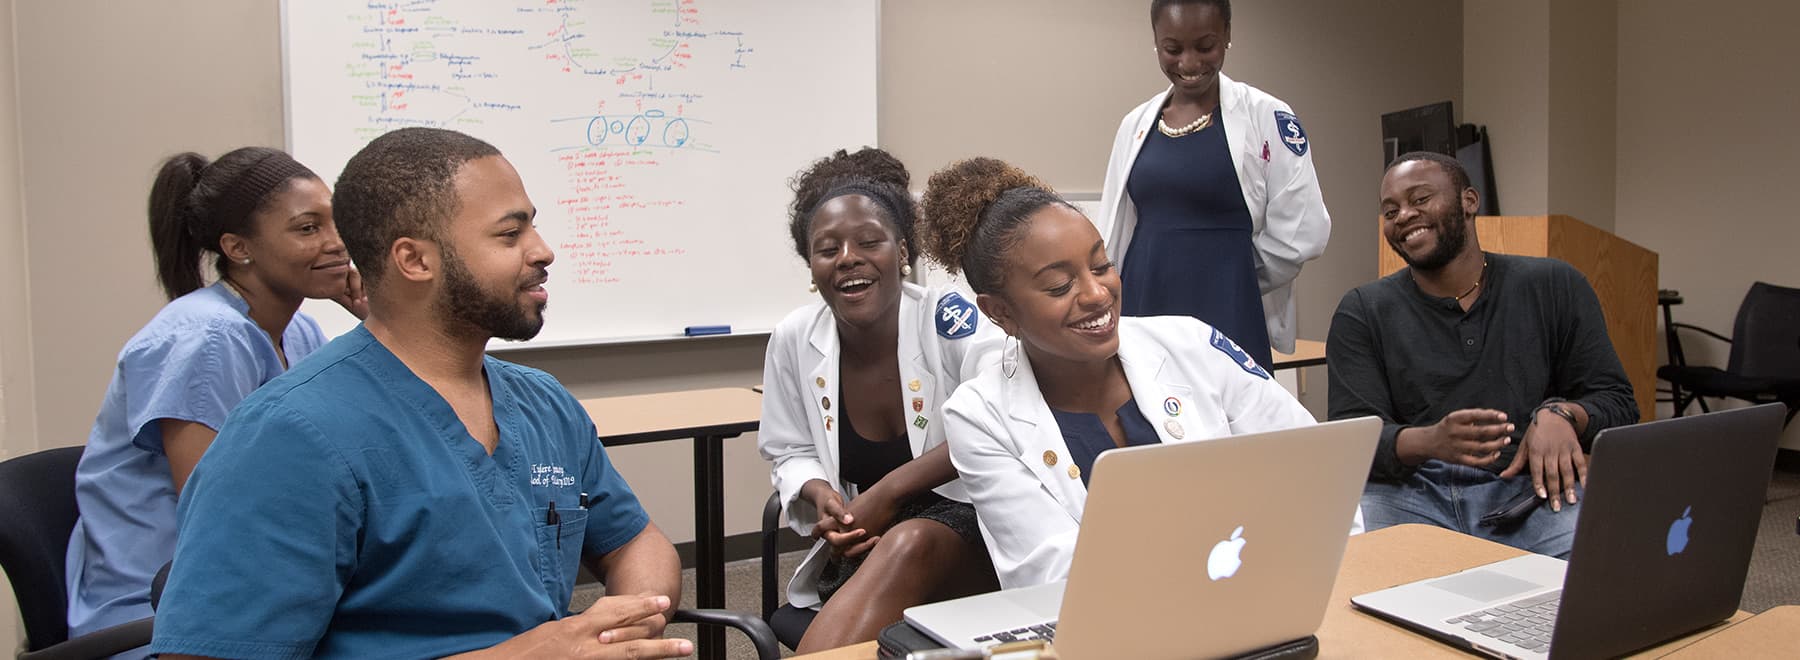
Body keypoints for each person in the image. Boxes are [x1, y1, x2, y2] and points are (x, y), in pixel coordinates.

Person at [149, 128, 691, 660]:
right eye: (510, 234)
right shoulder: (290, 437)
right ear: (414, 261)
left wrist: (622, 626)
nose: (542, 251)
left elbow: (634, 541)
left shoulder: (541, 403)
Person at [919, 157, 1329, 589]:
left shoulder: (1189, 342)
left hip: (1269, 584)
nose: (1098, 295)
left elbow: (1309, 462)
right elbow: (1050, 572)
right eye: (1060, 286)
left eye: (1101, 266)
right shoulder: (980, 416)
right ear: (1001, 312)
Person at [64, 147, 365, 651]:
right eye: (308, 228)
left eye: (337, 223)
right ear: (238, 247)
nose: (338, 244)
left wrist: (381, 322)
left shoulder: (300, 331)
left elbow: (359, 453)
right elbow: (220, 514)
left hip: (255, 582)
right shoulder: (205, 341)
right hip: (164, 609)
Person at [1327, 152, 1636, 559]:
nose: (1403, 215)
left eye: (1420, 199)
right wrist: (1430, 441)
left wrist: (1564, 415)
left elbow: (1618, 404)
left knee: (1605, 574)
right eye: (1390, 210)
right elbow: (1350, 440)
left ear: (1469, 201)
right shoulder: (1363, 310)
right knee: (1346, 574)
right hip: (1410, 494)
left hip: (1532, 494)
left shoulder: (1554, 285)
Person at [760, 148, 1001, 651]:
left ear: (903, 250)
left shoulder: (950, 320)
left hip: (976, 527)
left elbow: (1002, 423)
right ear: (811, 264)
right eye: (828, 249)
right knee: (898, 546)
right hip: (865, 538)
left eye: (870, 241)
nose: (848, 257)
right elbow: (789, 449)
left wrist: (887, 493)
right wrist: (824, 497)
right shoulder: (794, 337)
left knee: (909, 541)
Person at [1096, 0, 1330, 370]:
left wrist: (1237, 275)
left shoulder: (1267, 115)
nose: (1189, 63)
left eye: (1205, 46)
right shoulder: (1135, 124)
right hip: (1146, 292)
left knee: (1234, 414)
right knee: (1145, 411)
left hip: (1228, 297)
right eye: (1173, 49)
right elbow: (1114, 225)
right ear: (1156, 43)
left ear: (1227, 36)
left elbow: (1304, 229)